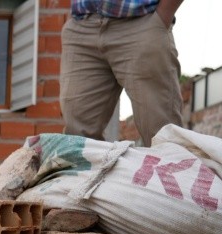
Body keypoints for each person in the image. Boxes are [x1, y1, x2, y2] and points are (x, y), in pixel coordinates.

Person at [60, 0, 185, 146]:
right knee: (77, 143)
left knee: (163, 137)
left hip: (142, 21)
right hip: (82, 24)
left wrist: (162, 16)